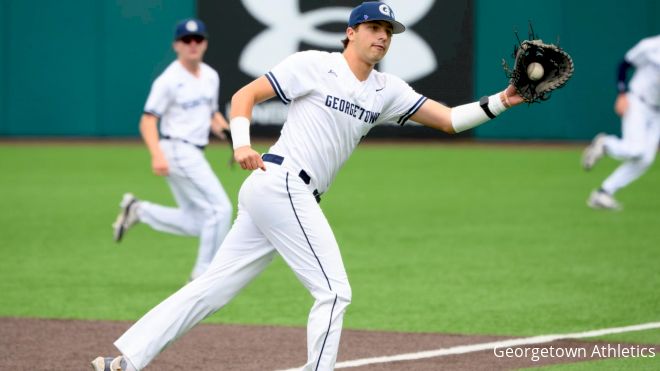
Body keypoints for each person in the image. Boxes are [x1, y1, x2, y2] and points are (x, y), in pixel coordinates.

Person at [92, 3, 525, 370]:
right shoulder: (315, 65)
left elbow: (449, 120)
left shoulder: (386, 90)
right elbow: (244, 96)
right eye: (374, 28)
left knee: (211, 287)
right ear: (350, 32)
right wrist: (242, 144)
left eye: (389, 31)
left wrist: (504, 100)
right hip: (282, 184)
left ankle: (123, 362)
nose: (382, 37)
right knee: (335, 292)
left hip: (281, 194)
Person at [111, 18, 233, 281]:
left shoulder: (211, 76)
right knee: (220, 210)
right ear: (176, 45)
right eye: (186, 40)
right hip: (177, 149)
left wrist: (231, 136)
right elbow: (147, 120)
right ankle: (202, 277)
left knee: (197, 221)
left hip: (193, 151)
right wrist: (157, 154)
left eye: (197, 39)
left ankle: (139, 210)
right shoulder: (168, 80)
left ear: (205, 43)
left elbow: (211, 114)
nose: (192, 44)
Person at [582, 34, 660, 210]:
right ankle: (605, 144)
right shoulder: (651, 46)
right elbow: (624, 65)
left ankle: (603, 193)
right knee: (636, 149)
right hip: (638, 102)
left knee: (646, 159)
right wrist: (622, 94)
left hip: (657, 113)